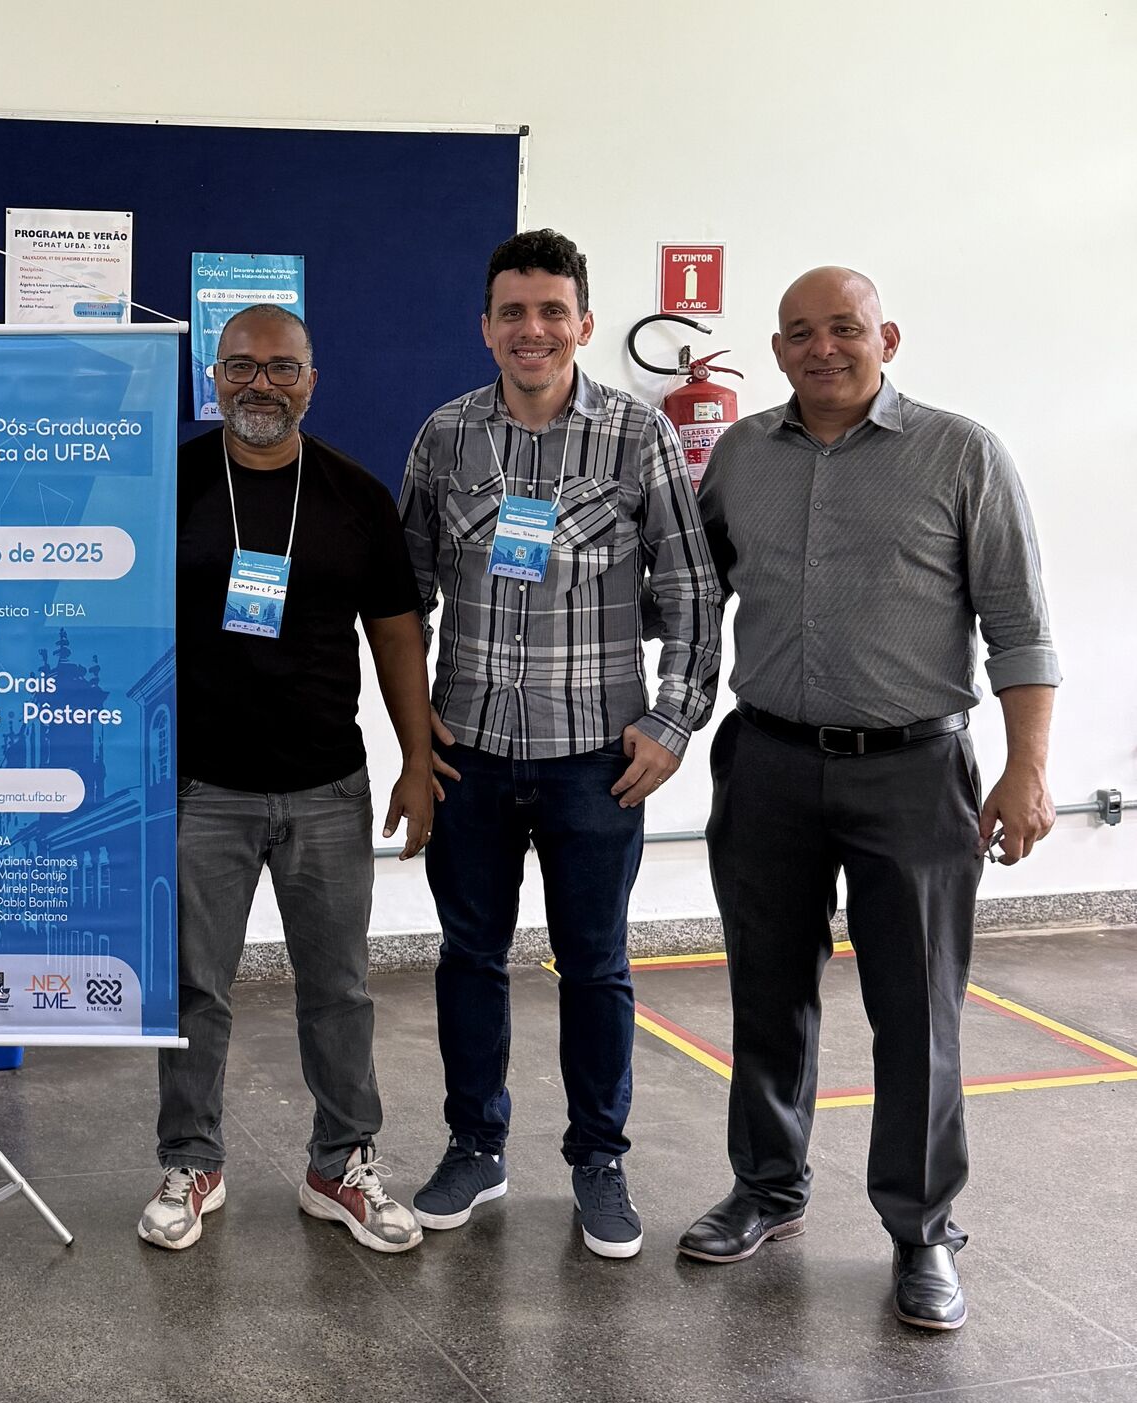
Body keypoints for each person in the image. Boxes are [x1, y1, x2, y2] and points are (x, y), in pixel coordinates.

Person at [679, 267, 1059, 1331]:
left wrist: (1027, 770)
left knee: (920, 1010)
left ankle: (922, 1229)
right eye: (800, 333)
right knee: (766, 991)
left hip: (914, 772)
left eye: (844, 328)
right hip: (768, 764)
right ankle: (766, 1185)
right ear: (777, 347)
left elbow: (1021, 626)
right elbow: (689, 591)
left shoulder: (960, 452)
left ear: (885, 334)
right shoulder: (743, 455)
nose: (823, 348)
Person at [397, 228, 723, 1259]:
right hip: (474, 756)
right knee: (470, 957)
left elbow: (693, 590)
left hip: (598, 760)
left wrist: (674, 723)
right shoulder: (445, 437)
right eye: (511, 312)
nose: (531, 330)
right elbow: (402, 601)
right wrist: (414, 730)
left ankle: (599, 1159)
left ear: (582, 323)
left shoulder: (637, 435)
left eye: (551, 312)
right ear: (485, 327)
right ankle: (475, 1145)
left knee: (597, 964)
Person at [142, 303, 434, 1254]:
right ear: (212, 378)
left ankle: (338, 1164)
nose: (259, 384)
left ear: (313, 380)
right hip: (201, 789)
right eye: (240, 367)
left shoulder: (355, 496)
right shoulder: (166, 482)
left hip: (327, 788)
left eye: (281, 367)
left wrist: (418, 760)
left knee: (339, 988)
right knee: (196, 991)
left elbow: (396, 637)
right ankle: (194, 1162)